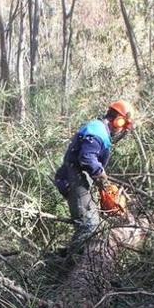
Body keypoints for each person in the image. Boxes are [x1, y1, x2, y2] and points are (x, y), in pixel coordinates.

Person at [54, 100, 136, 253]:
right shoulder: (98, 132)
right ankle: (68, 265)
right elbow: (87, 158)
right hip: (74, 178)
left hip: (80, 178)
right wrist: (104, 181)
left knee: (91, 221)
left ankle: (66, 255)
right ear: (118, 120)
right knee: (88, 225)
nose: (121, 131)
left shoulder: (98, 129)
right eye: (122, 126)